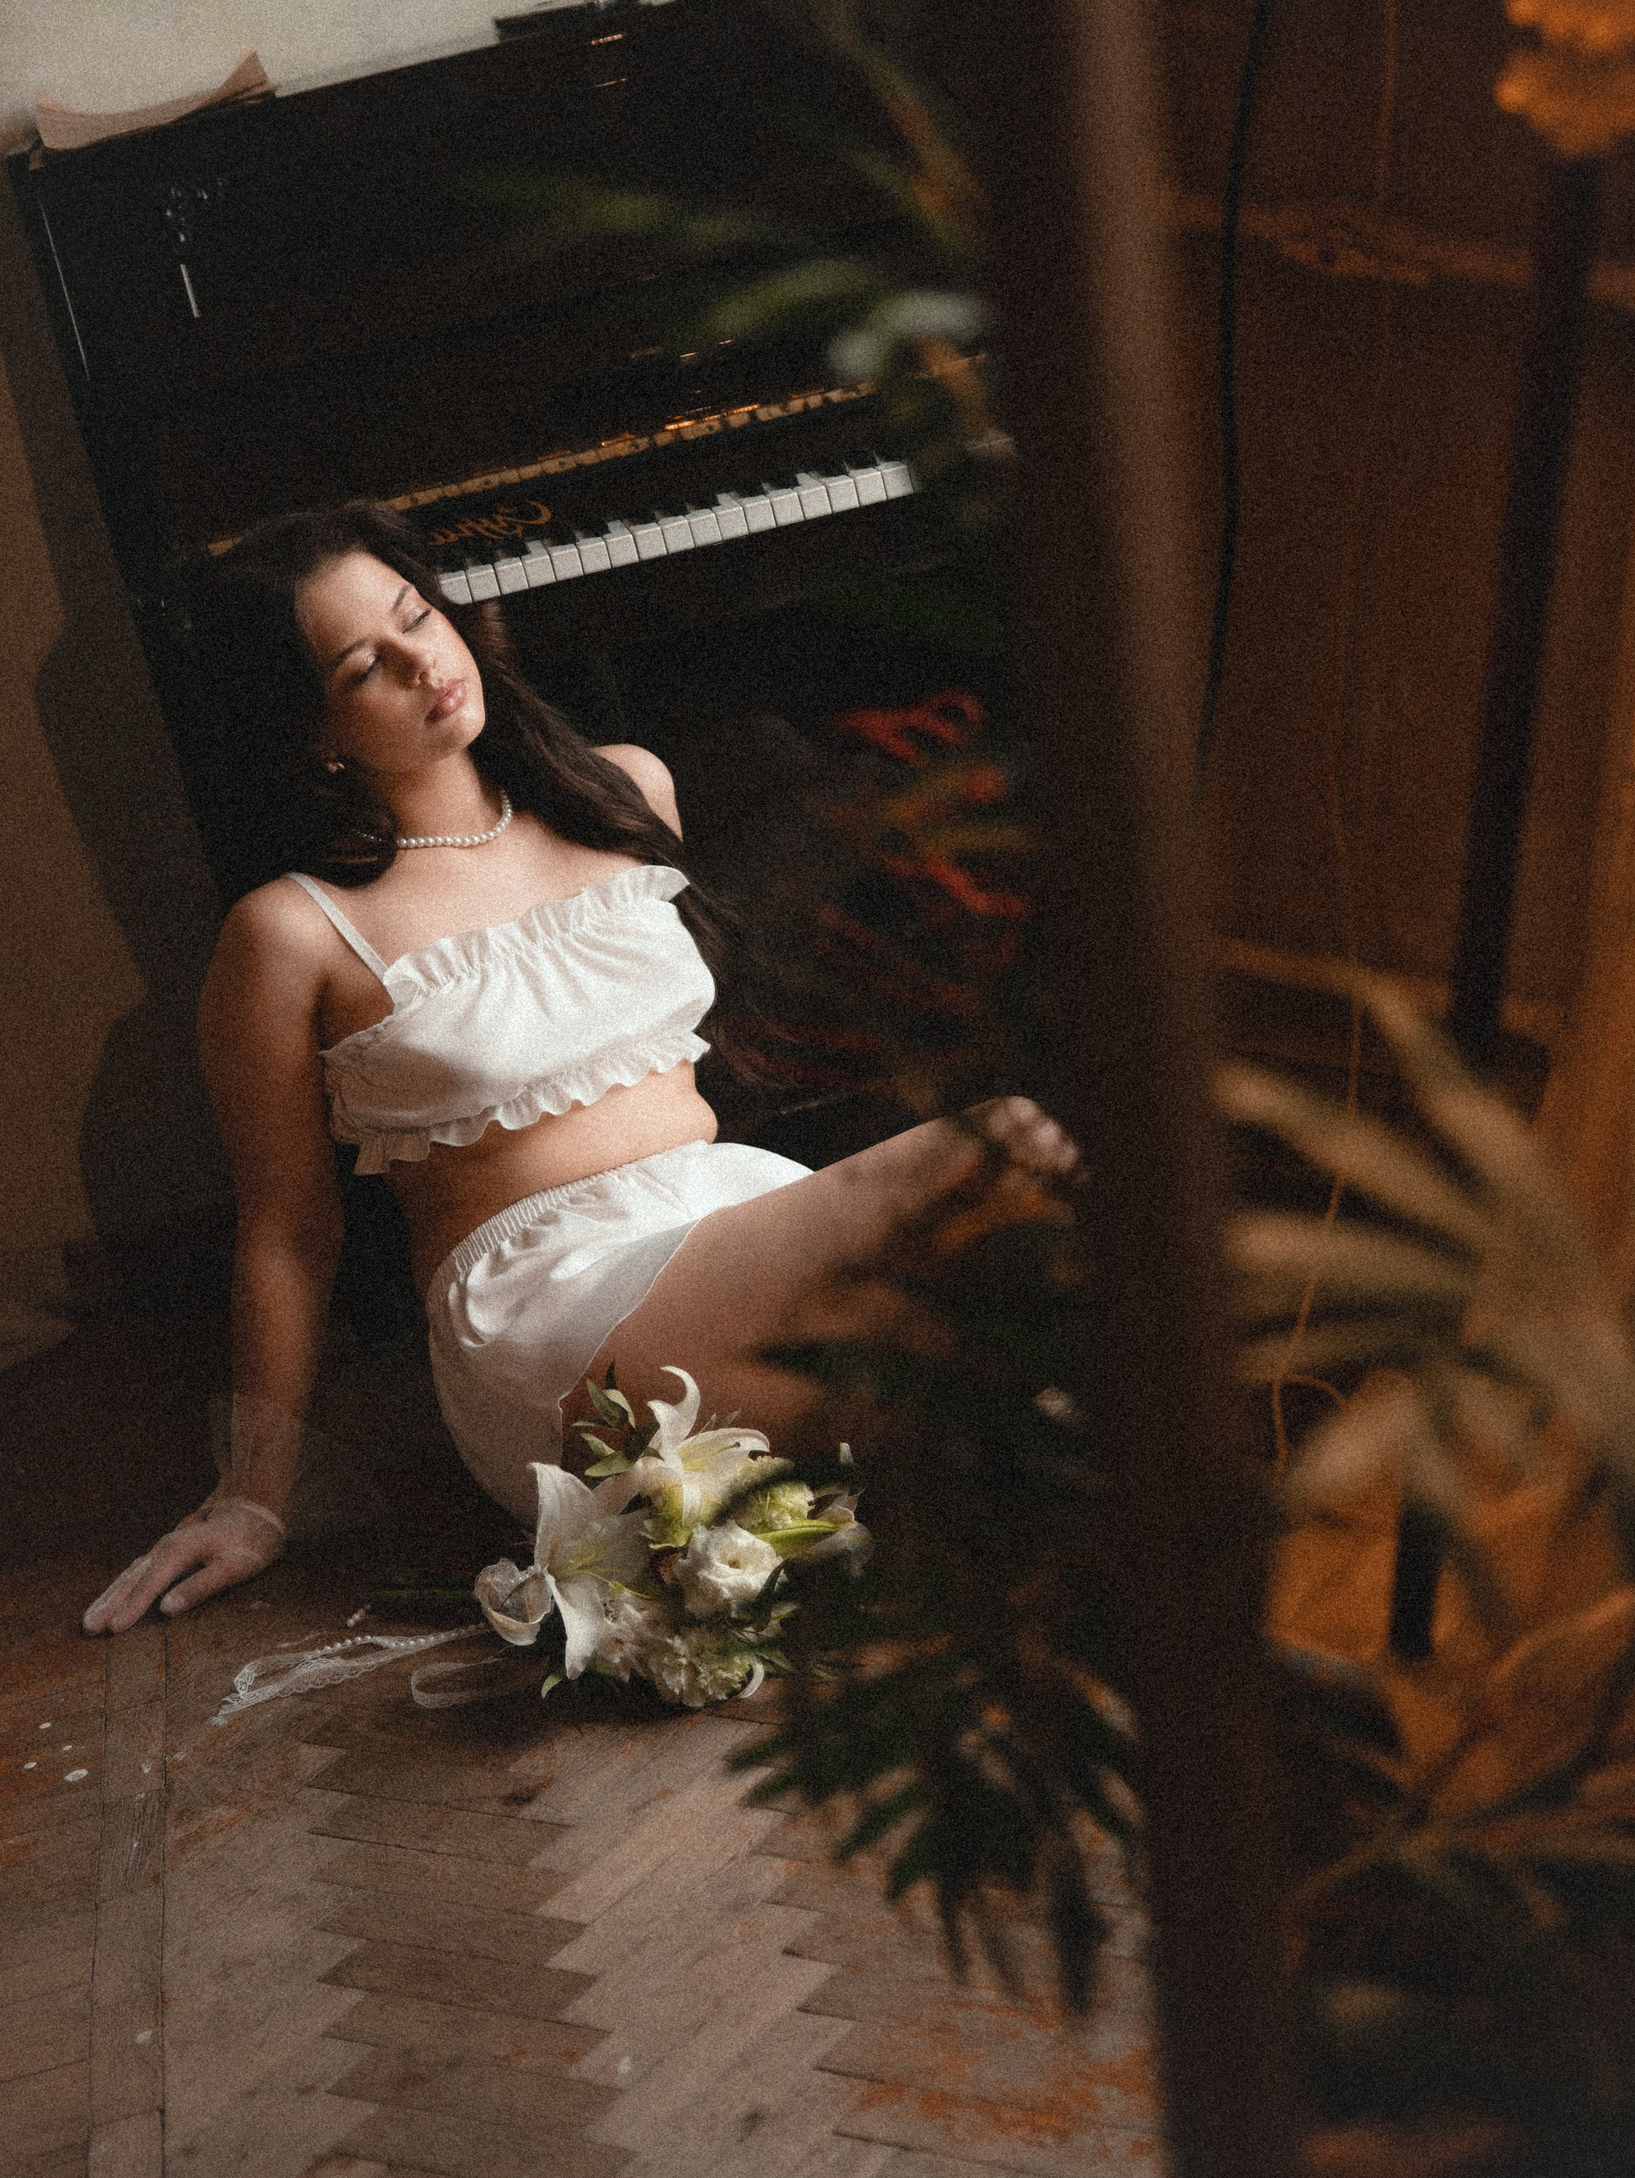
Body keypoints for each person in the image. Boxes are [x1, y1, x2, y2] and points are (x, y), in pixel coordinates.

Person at [83, 502, 1073, 1634]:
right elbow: (287, 1229)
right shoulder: (292, 931)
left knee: (1016, 1337)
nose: (424, 663)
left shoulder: (624, 790)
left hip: (724, 1218)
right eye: (365, 667)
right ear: (316, 729)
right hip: (548, 1315)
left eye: (419, 617)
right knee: (1013, 1151)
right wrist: (253, 1496)